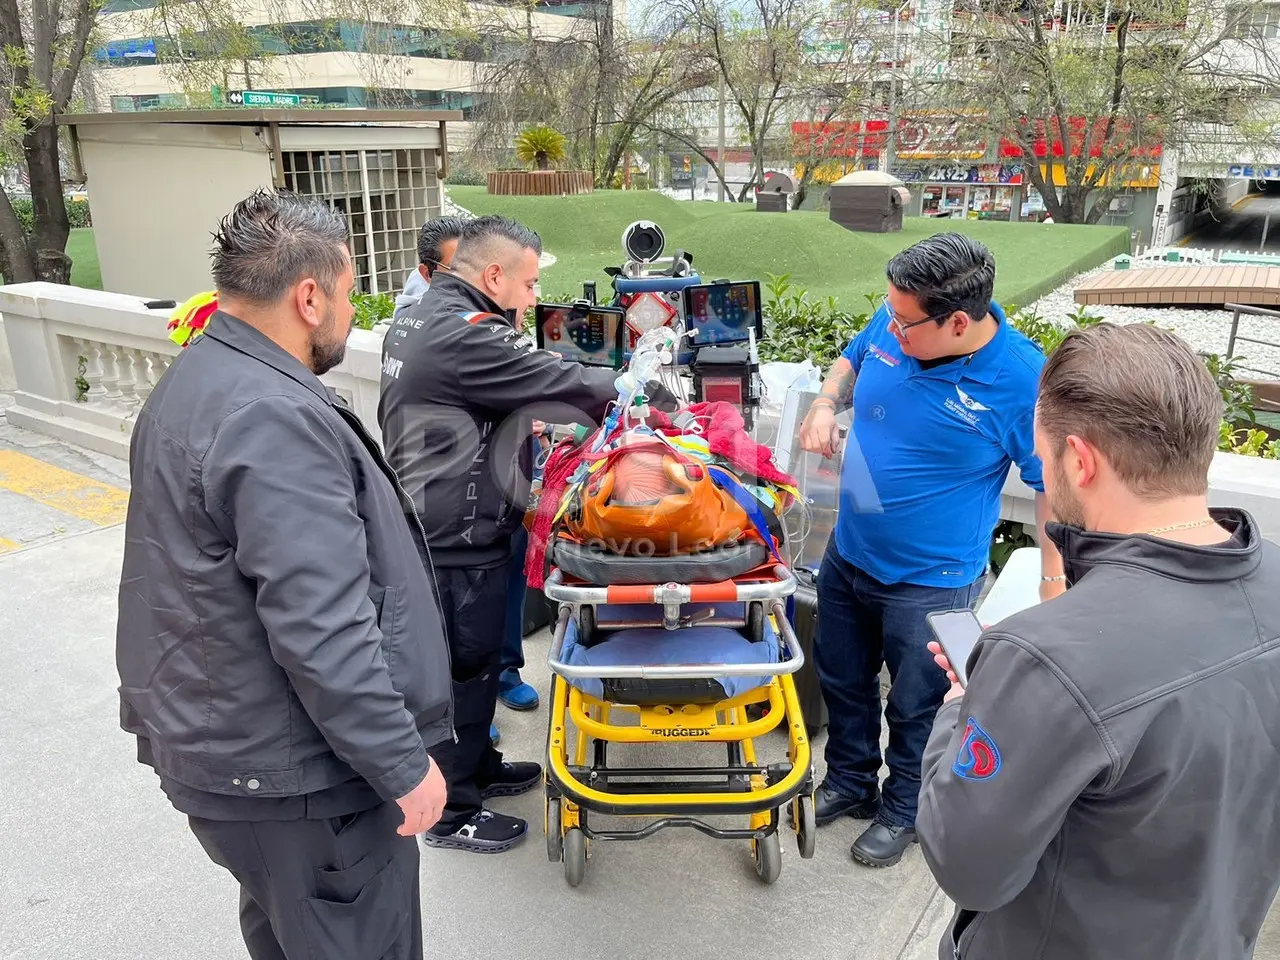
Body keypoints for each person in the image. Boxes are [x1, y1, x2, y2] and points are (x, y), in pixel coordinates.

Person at [116, 189, 452, 960]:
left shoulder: (202, 375)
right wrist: (403, 766)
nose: (353, 314)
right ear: (309, 296)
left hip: (246, 762)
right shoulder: (271, 414)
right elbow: (322, 625)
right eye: (348, 292)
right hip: (300, 778)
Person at [917, 322, 1280, 960]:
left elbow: (967, 864)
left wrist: (963, 709)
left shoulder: (1046, 656)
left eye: (1043, 455)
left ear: (1080, 461)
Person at [378, 214, 660, 853]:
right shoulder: (466, 333)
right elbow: (561, 381)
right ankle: (452, 814)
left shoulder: (424, 311)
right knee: (462, 668)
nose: (534, 298)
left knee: (469, 666)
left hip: (437, 510)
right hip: (455, 527)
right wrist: (637, 390)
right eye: (530, 284)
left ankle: (475, 768)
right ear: (495, 274)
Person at [797, 232, 1064, 868]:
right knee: (841, 677)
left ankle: (903, 808)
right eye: (889, 311)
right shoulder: (899, 319)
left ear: (959, 322)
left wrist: (1054, 583)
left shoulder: (1022, 380)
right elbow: (852, 354)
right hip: (850, 548)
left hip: (932, 578)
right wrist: (827, 404)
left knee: (917, 704)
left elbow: (1051, 486)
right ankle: (850, 779)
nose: (891, 326)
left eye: (904, 320)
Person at [393, 215, 467, 320]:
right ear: (427, 274)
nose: (471, 275)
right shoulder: (428, 319)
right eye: (456, 269)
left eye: (475, 264)